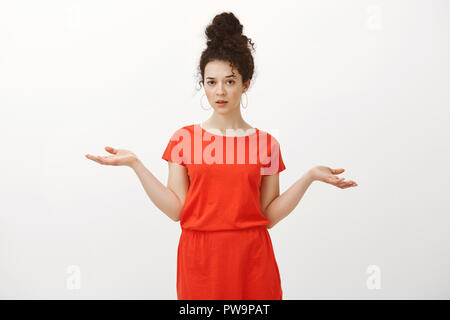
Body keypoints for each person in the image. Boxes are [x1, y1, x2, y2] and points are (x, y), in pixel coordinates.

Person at [85, 12, 358, 300]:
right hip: (201, 263)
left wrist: (310, 177)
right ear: (202, 84)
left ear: (246, 83)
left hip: (253, 261)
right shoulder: (183, 139)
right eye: (211, 82)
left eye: (229, 81)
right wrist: (135, 164)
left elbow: (268, 215)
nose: (220, 91)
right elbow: (176, 209)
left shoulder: (266, 145)